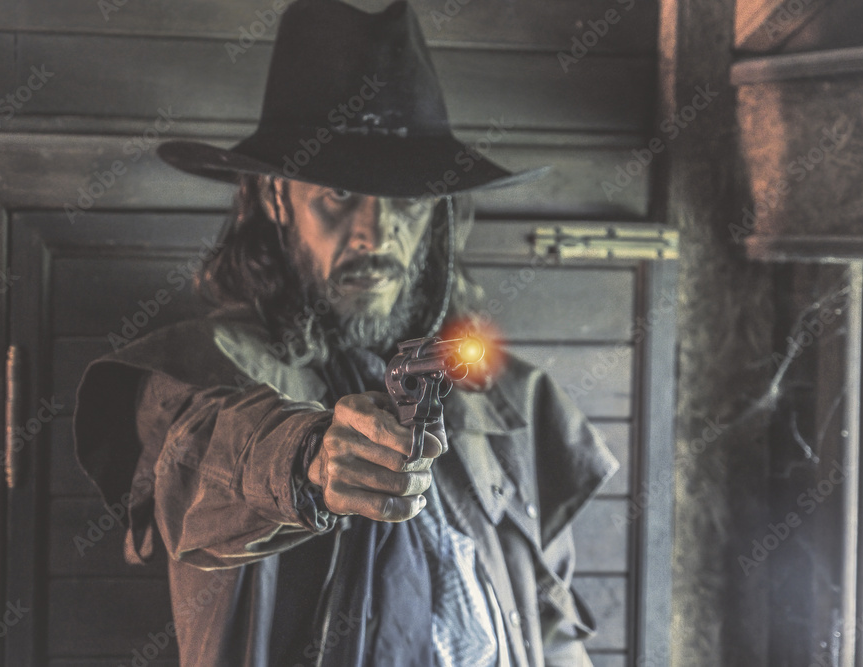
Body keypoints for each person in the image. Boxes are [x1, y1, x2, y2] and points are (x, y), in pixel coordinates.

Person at [74, 0, 618, 665]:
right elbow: (207, 454)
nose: (376, 231)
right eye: (338, 194)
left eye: (406, 198)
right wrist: (310, 461)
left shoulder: (506, 395)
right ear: (277, 197)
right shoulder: (200, 370)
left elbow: (550, 618)